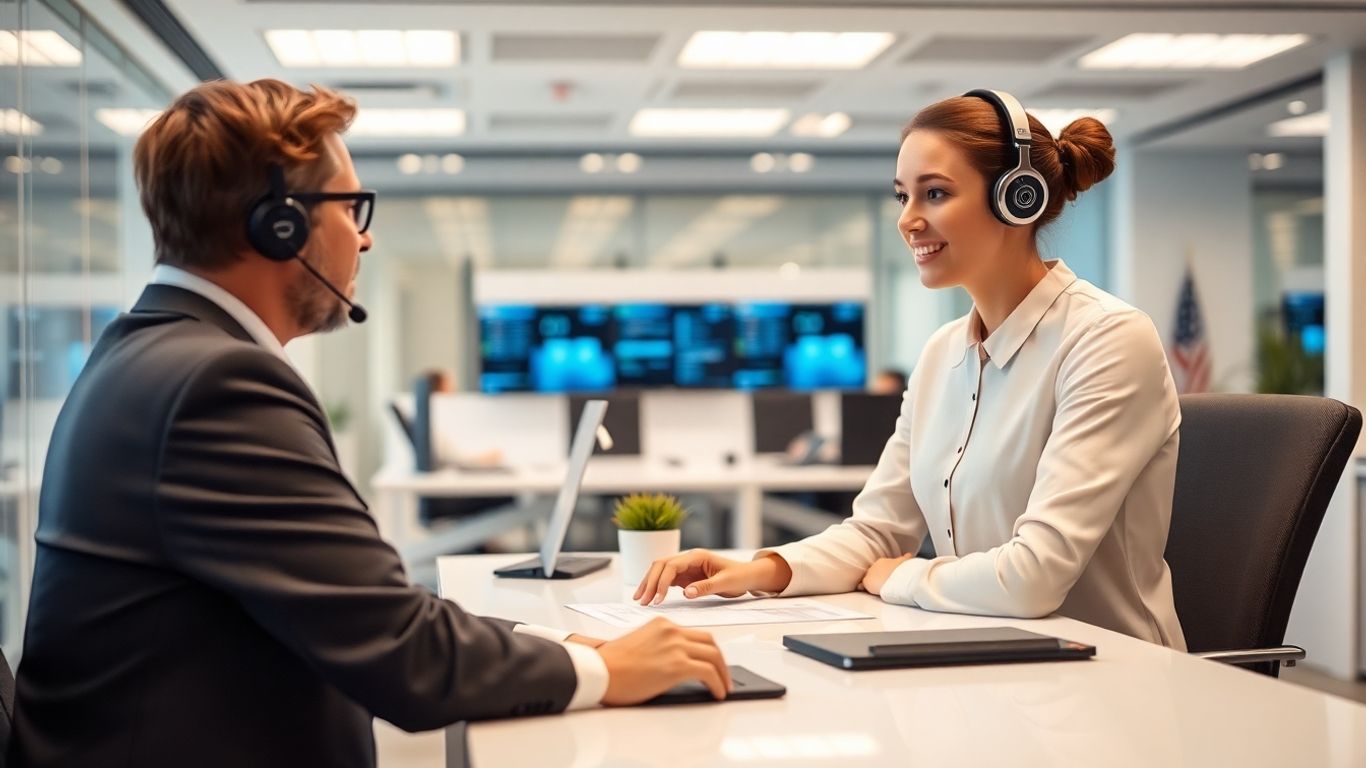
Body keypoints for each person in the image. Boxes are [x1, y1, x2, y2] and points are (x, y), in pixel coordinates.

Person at [10, 79, 729, 768]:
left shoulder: (147, 352)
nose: (364, 239)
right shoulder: (217, 384)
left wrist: (564, 645)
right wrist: (604, 671)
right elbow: (401, 651)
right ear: (280, 225)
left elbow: (359, 607)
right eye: (351, 208)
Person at [636, 89, 1186, 651]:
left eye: (935, 193)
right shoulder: (941, 355)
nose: (907, 220)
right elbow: (878, 531)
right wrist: (757, 571)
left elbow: (1033, 577)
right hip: (992, 659)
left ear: (1017, 198)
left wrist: (900, 577)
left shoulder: (1107, 340)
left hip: (1113, 670)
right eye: (903, 196)